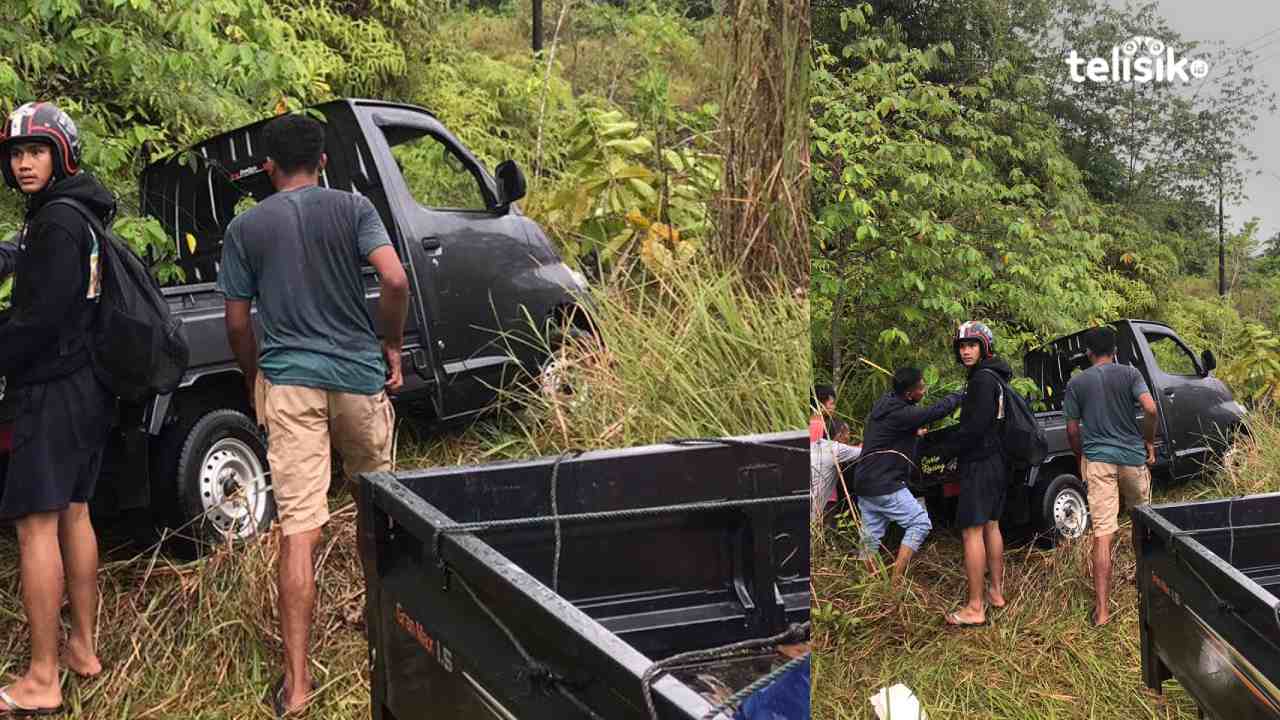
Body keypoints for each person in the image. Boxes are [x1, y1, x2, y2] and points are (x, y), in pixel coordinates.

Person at [217, 112, 410, 716]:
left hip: (290, 384)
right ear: (323, 162)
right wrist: (391, 344)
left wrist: (255, 374)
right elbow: (395, 278)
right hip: (357, 376)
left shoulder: (247, 227)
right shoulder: (352, 209)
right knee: (379, 504)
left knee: (299, 528)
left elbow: (237, 321)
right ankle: (390, 634)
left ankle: (297, 688)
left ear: (268, 168)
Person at [0, 101, 116, 714]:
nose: (23, 163)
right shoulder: (80, 214)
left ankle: (42, 678)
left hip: (50, 389)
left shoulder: (56, 224)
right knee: (75, 513)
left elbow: (38, 320)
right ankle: (83, 649)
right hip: (85, 386)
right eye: (16, 154)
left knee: (35, 525)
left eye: (35, 151)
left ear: (61, 153)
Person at [1063, 326, 1158, 627]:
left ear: (1088, 353)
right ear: (1115, 351)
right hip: (1132, 457)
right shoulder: (1130, 374)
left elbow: (1072, 429)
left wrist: (1081, 457)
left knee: (1103, 533)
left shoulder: (1078, 383)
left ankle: (1102, 611)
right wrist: (1148, 441)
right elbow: (1150, 408)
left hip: (1099, 461)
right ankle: (1148, 587)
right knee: (1143, 521)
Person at [926, 321, 1011, 627]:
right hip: (997, 460)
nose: (965, 351)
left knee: (971, 531)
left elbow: (973, 429)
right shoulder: (997, 377)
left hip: (980, 462)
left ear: (985, 346)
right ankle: (996, 593)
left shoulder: (981, 381)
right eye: (962, 347)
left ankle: (975, 607)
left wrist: (944, 452)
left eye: (972, 345)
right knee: (991, 525)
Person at [854, 367, 962, 584]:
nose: (924, 391)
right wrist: (960, 395)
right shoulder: (903, 413)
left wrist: (913, 433)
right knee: (920, 523)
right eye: (921, 388)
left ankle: (868, 585)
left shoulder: (885, 404)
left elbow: (893, 430)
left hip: (864, 482)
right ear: (909, 394)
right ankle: (896, 581)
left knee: (870, 537)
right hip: (885, 482)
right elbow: (935, 412)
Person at [811, 420, 860, 524]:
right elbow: (865, 451)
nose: (848, 437)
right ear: (839, 434)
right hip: (817, 511)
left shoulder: (814, 445)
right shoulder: (835, 449)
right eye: (848, 433)